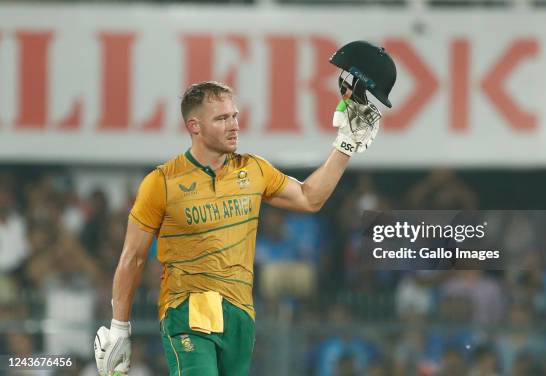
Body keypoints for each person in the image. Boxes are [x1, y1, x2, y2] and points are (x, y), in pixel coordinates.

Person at [93, 69, 388, 375]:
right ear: (194, 126)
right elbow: (133, 257)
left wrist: (346, 145)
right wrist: (119, 327)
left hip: (240, 315)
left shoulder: (254, 170)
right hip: (188, 309)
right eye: (222, 119)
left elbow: (309, 198)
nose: (234, 125)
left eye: (234, 116)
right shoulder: (162, 182)